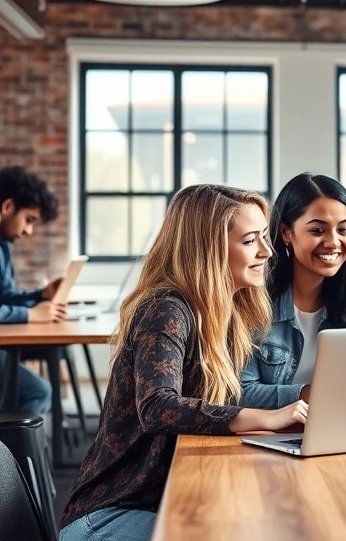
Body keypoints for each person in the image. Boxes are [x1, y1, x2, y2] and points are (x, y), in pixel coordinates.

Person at [60, 185, 309, 541]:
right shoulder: (166, 308)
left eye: (264, 238)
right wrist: (266, 418)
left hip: (163, 502)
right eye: (251, 241)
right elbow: (158, 407)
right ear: (208, 248)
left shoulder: (224, 313)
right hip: (109, 516)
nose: (268, 252)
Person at [240, 173, 346, 408]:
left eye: (344, 230)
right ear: (286, 232)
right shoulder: (254, 292)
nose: (334, 242)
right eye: (318, 231)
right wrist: (311, 394)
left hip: (342, 424)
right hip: (271, 432)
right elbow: (240, 392)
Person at [0, 165, 64, 414]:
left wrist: (40, 296)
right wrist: (30, 314)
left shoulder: (3, 245)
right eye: (29, 220)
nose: (28, 231)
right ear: (7, 207)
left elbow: (4, 296)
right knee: (38, 390)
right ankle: (11, 453)